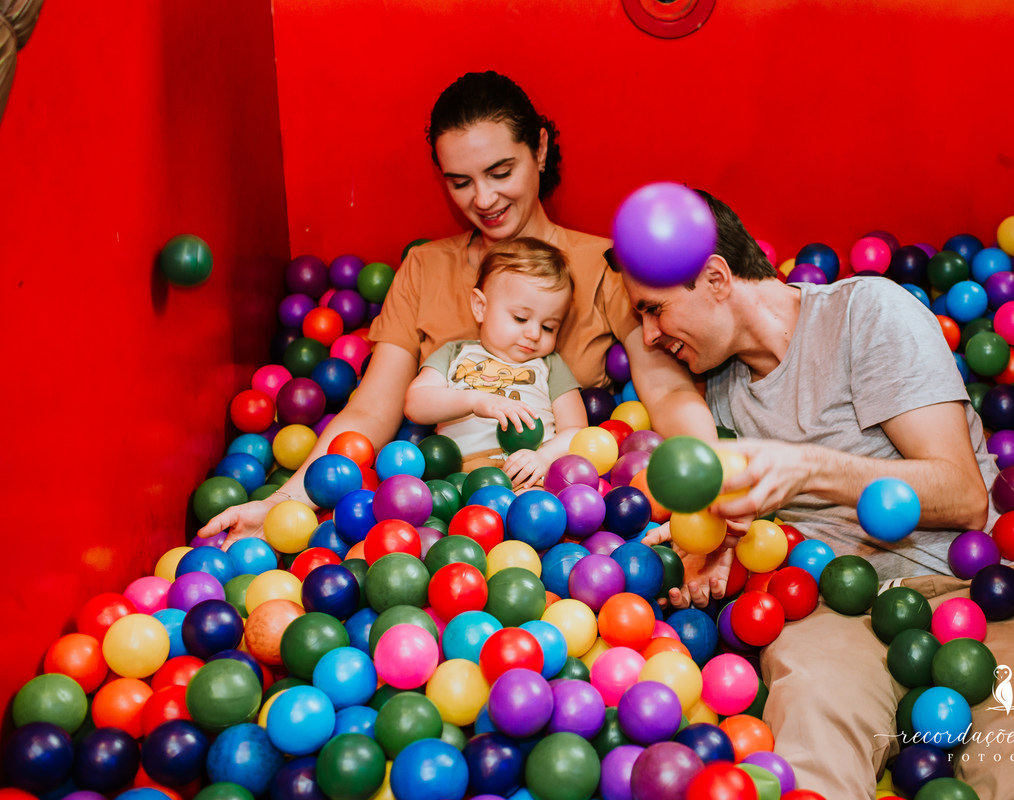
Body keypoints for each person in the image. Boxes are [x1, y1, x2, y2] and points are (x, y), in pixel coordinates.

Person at [627, 191, 1014, 800]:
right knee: (813, 769)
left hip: (989, 592)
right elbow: (654, 374)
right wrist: (719, 540)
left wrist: (805, 468)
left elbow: (963, 495)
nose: (649, 333)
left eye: (655, 310)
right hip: (835, 609)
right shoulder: (714, 387)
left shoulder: (864, 310)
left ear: (716, 277)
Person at [199, 70, 712, 542]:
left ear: (539, 148)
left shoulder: (605, 265)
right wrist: (286, 503)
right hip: (438, 511)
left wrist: (712, 485)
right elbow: (373, 408)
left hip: (565, 513)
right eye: (460, 182)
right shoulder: (424, 268)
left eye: (500, 171)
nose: (484, 199)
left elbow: (664, 390)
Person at [404, 237, 586, 488]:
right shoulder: (454, 353)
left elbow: (577, 430)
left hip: (528, 475)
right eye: (521, 318)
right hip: (460, 477)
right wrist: (476, 401)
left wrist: (543, 457)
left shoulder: (550, 365)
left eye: (548, 327)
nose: (534, 334)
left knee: (532, 513)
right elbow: (416, 403)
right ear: (480, 306)